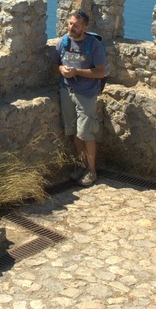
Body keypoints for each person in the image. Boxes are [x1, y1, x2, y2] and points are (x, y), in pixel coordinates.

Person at [51, 10, 107, 186]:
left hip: (86, 93)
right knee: (74, 131)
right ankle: (82, 166)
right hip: (67, 90)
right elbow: (54, 65)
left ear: (85, 27)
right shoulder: (63, 42)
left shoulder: (93, 45)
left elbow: (100, 71)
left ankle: (92, 171)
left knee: (87, 133)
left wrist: (76, 72)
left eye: (76, 25)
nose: (71, 27)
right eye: (70, 23)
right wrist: (61, 70)